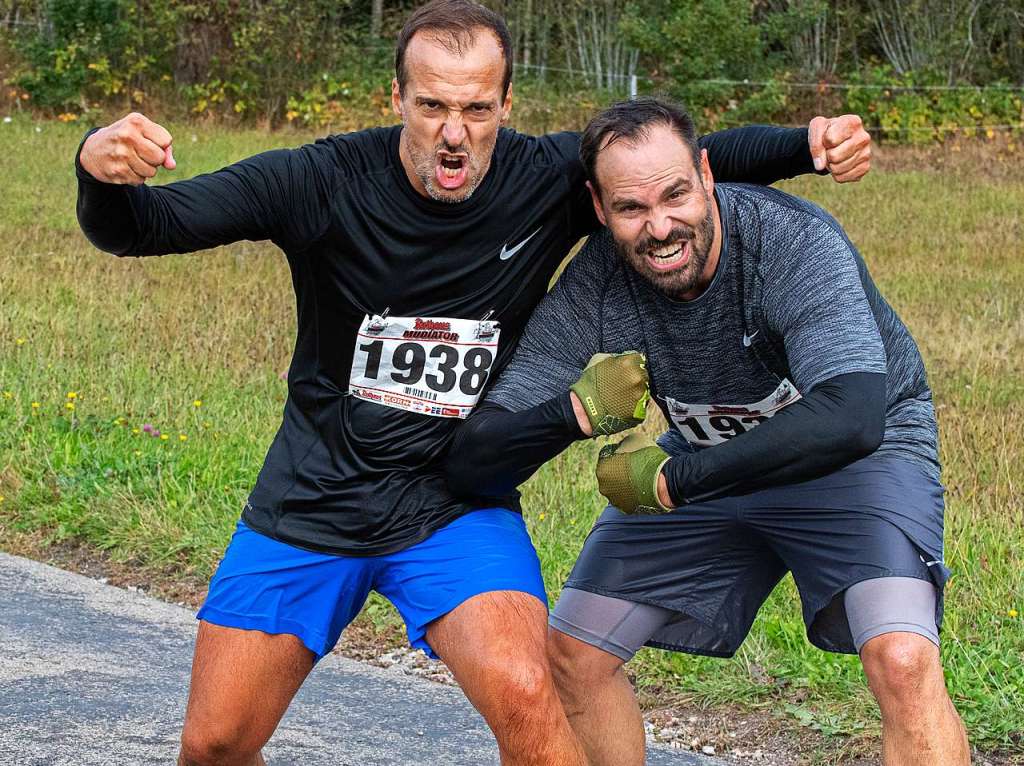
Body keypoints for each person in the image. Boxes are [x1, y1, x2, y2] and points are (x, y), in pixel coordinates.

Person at [73, 0, 873, 762]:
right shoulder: (320, 180)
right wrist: (97, 172)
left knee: (529, 695)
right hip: (315, 497)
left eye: (478, 110)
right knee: (214, 745)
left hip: (452, 505)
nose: (454, 134)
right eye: (431, 107)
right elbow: (148, 227)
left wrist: (811, 143)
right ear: (397, 97)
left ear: (506, 104)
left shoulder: (546, 175)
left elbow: (693, 160)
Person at [446, 97, 969, 766]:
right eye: (631, 209)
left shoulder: (789, 241)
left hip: (854, 461)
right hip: (705, 460)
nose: (661, 227)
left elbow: (852, 415)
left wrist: (673, 480)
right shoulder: (594, 285)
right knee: (572, 656)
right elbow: (477, 454)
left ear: (706, 174)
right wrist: (571, 415)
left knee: (901, 659)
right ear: (600, 210)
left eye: (675, 196)